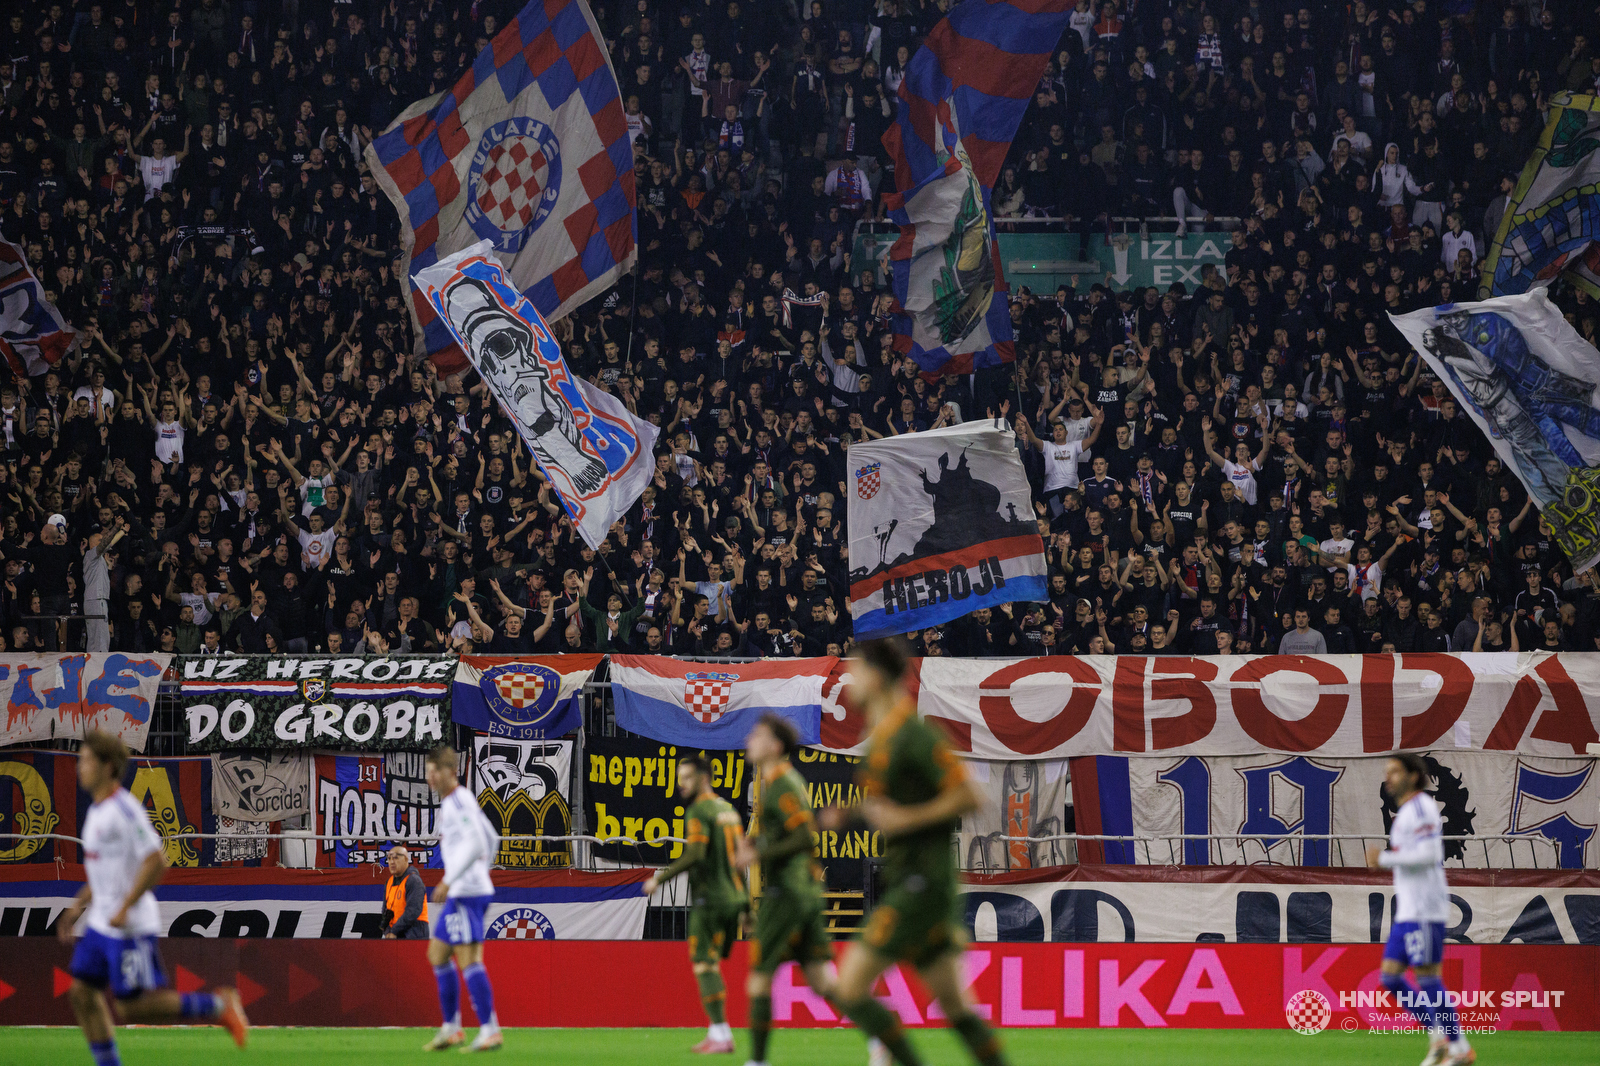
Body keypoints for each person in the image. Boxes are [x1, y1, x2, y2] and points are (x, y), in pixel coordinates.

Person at [821, 638, 1004, 1066]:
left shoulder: (912, 733)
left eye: (857, 670)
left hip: (921, 884)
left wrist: (907, 820)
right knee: (957, 1009)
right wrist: (851, 815)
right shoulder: (881, 738)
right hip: (915, 881)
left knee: (848, 988)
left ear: (878, 675)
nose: (849, 680)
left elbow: (970, 796)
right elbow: (889, 807)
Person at [58, 731, 249, 1065]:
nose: (80, 767)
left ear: (108, 766)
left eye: (86, 760)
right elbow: (104, 871)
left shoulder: (124, 810)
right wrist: (78, 905)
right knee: (82, 993)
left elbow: (156, 860)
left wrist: (125, 906)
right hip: (102, 923)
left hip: (128, 924)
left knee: (132, 1006)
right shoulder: (97, 813)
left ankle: (219, 1006)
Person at [733, 714, 837, 1066]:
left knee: (760, 979)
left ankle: (758, 1061)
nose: (750, 739)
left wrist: (757, 852)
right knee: (822, 982)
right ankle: (883, 1033)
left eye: (757, 734)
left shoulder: (782, 783)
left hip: (788, 894)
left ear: (775, 746)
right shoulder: (774, 783)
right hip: (800, 892)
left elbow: (805, 836)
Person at [1367, 754, 1474, 1066]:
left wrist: (1383, 860)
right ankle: (1438, 1037)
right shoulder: (1403, 815)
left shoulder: (1422, 807)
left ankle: (1460, 1047)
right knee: (1390, 978)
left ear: (1414, 776)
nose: (1389, 778)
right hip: (1408, 911)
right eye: (1387, 772)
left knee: (1427, 977)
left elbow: (1429, 855)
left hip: (1425, 908)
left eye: (1395, 771)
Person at [641, 754, 749, 1054]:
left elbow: (695, 855)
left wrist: (660, 879)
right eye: (679, 779)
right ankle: (720, 1032)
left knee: (704, 963)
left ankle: (720, 1033)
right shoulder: (728, 810)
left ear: (703, 778)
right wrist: (748, 907)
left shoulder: (699, 810)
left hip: (711, 899)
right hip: (734, 898)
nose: (681, 785)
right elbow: (740, 860)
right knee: (712, 964)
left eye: (687, 778)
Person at [423, 745, 503, 1052]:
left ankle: (490, 1030)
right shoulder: (454, 801)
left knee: (469, 960)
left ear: (450, 772)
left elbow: (477, 841)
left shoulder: (458, 800)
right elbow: (492, 837)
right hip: (468, 887)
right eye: (428, 772)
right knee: (438, 954)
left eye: (434, 772)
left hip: (466, 892)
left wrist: (453, 879)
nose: (430, 778)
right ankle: (452, 1028)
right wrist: (481, 870)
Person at [381, 845, 430, 940]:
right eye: (389, 858)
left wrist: (394, 931)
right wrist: (387, 931)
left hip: (414, 933)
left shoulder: (414, 880)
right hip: (394, 934)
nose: (391, 862)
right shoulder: (389, 882)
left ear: (406, 859)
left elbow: (413, 911)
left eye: (396, 858)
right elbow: (384, 910)